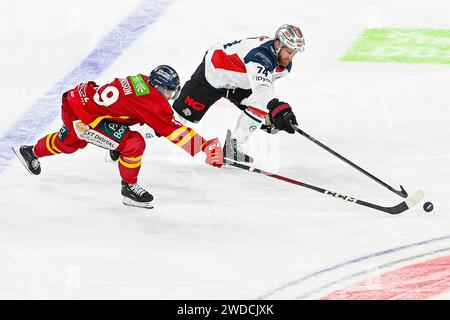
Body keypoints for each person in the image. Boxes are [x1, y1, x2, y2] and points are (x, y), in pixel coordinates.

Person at [12, 65, 224, 209]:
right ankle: (129, 188)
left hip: (79, 101)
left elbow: (133, 112)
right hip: (85, 118)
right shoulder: (152, 101)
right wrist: (203, 146)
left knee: (68, 142)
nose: (172, 96)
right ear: (159, 87)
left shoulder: (142, 82)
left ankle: (29, 151)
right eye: (171, 91)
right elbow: (174, 131)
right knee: (133, 143)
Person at [172, 24, 305, 164]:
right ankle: (147, 129)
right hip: (214, 74)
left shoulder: (284, 66)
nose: (291, 57)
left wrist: (271, 114)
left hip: (239, 83)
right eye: (289, 52)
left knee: (262, 105)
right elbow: (262, 86)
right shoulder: (259, 55)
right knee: (177, 117)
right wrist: (276, 107)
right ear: (278, 43)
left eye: (294, 53)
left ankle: (232, 148)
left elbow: (264, 85)